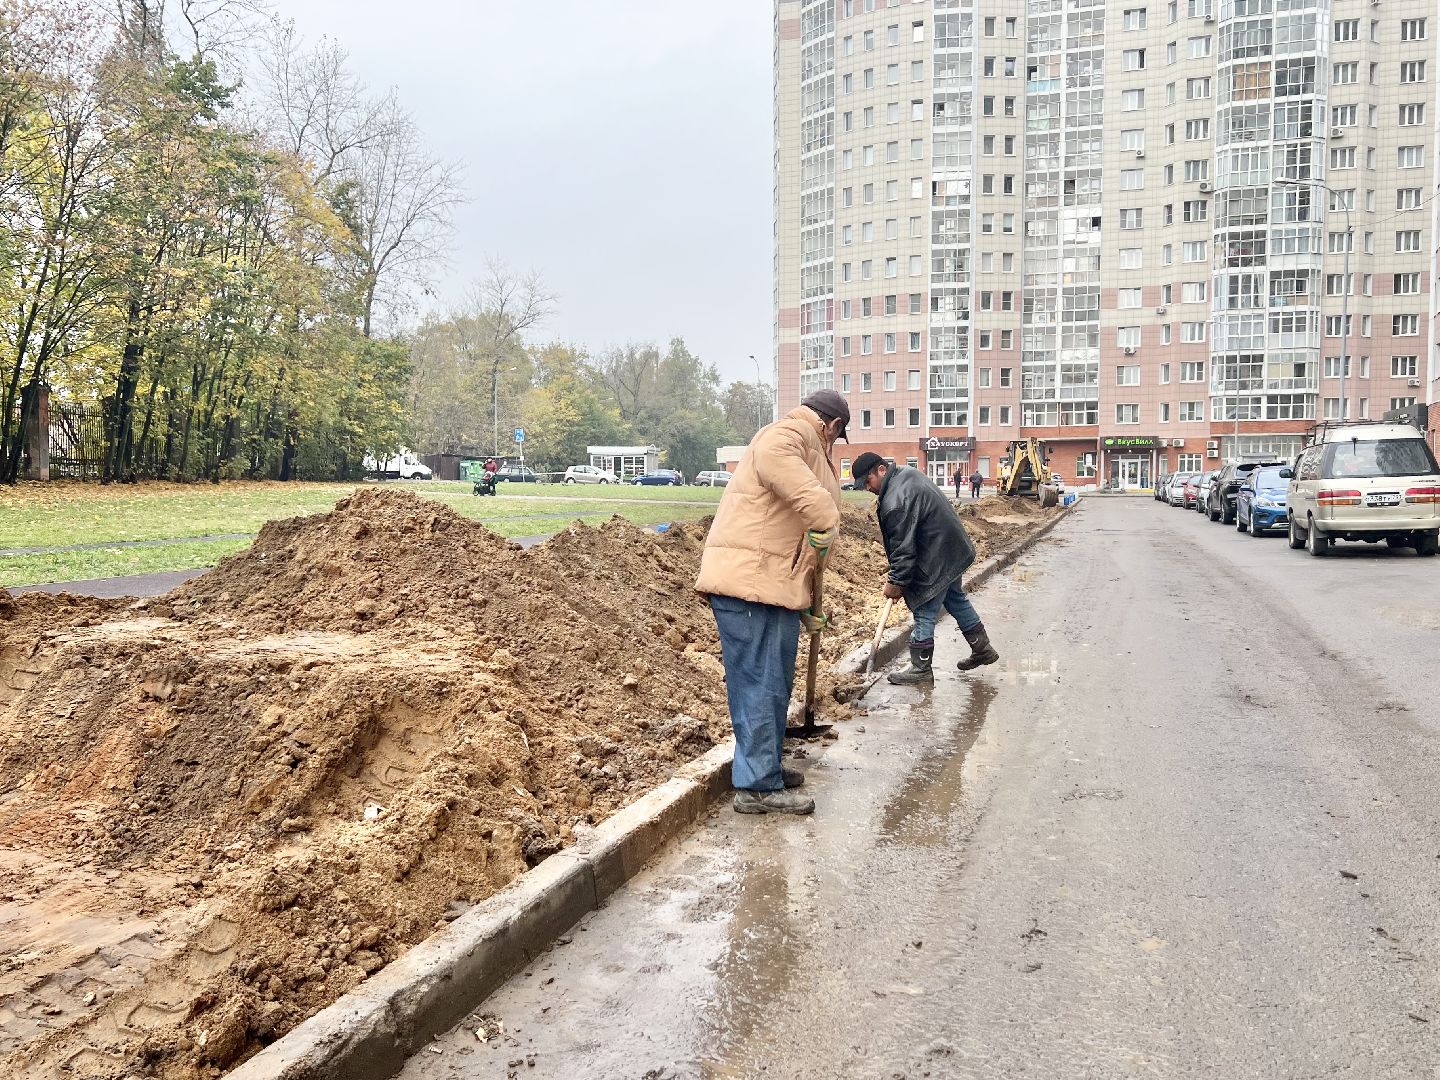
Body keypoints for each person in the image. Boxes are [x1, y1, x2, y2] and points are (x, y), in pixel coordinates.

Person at [695, 388, 848, 815]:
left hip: (772, 585)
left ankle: (766, 767)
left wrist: (810, 607)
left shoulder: (806, 441)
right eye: (837, 438)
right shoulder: (789, 433)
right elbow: (778, 463)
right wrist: (826, 515)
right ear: (833, 425)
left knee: (772, 684)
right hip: (751, 585)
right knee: (759, 685)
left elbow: (799, 539)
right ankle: (757, 787)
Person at [850, 452, 1000, 685]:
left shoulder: (895, 502)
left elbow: (903, 549)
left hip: (936, 556)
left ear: (881, 470)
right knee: (955, 599)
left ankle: (920, 668)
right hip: (951, 549)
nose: (868, 488)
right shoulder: (905, 474)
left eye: (868, 481)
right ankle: (982, 649)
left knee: (924, 608)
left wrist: (896, 582)